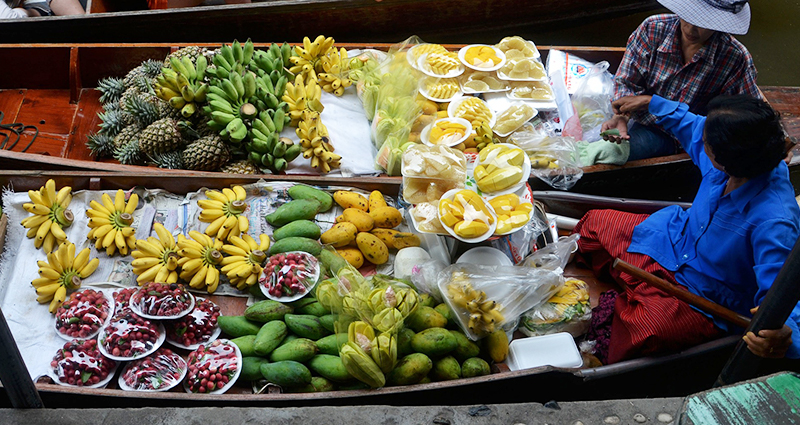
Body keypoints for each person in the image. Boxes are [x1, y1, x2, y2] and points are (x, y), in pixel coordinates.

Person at [576, 93, 799, 364]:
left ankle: (639, 298)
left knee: (648, 329)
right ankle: (638, 294)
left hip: (704, 296)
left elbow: (782, 300)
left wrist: (783, 338)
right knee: (594, 224)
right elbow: (690, 124)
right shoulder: (732, 159)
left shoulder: (775, 221)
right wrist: (651, 103)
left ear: (726, 159)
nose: (700, 141)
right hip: (672, 241)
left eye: (706, 143)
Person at [601, 0, 760, 161]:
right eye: (688, 16)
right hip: (642, 118)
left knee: (612, 152)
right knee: (603, 144)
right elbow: (626, 82)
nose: (691, 29)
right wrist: (623, 115)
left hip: (683, 136)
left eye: (704, 23)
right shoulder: (653, 28)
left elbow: (749, 115)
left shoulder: (735, 58)